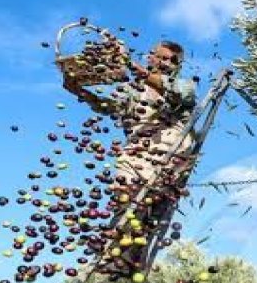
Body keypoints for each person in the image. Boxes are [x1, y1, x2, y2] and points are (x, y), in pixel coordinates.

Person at [59, 39, 198, 187]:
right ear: (150, 58)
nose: (164, 63)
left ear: (177, 65)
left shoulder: (185, 86)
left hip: (171, 147)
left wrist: (130, 64)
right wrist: (79, 92)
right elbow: (110, 107)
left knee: (156, 196)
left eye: (170, 60)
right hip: (137, 148)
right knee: (122, 191)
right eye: (160, 57)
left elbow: (179, 92)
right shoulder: (133, 90)